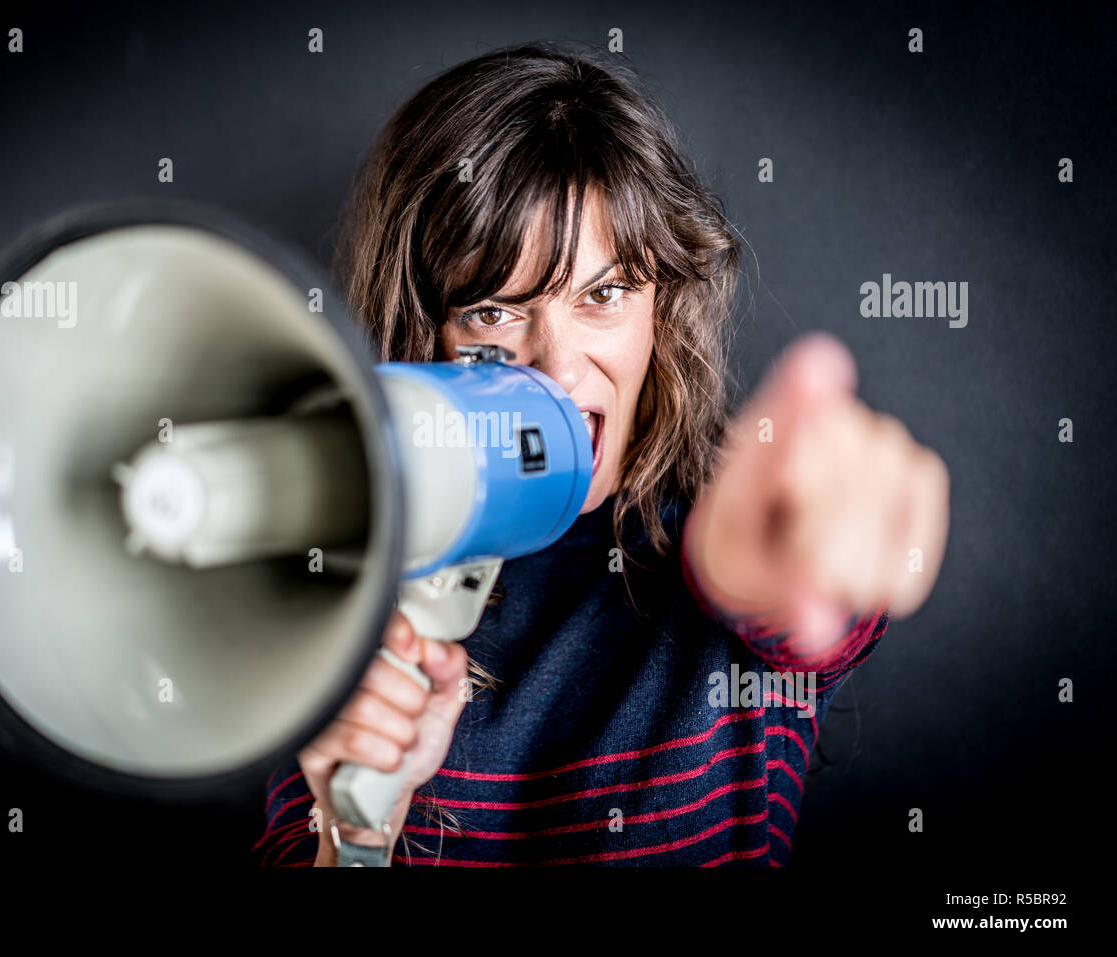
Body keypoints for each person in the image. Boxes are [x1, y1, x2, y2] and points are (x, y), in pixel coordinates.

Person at [252, 40, 949, 866]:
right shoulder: (342, 592)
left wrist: (782, 562)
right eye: (492, 311)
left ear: (662, 307)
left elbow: (798, 594)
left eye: (603, 295)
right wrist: (357, 831)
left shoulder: (730, 533)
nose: (557, 367)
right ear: (420, 336)